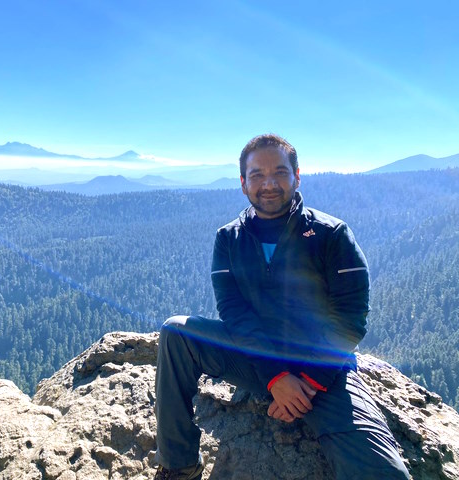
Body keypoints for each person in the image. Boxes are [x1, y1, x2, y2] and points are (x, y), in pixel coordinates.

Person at [153, 134, 410, 480]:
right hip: (254, 357)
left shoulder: (331, 234)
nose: (269, 184)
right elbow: (234, 313)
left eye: (280, 172)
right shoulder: (229, 239)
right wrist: (275, 376)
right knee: (176, 333)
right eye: (257, 175)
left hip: (322, 371)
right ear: (243, 183)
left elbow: (350, 318)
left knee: (382, 471)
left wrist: (305, 382)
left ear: (297, 176)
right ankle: (180, 466)